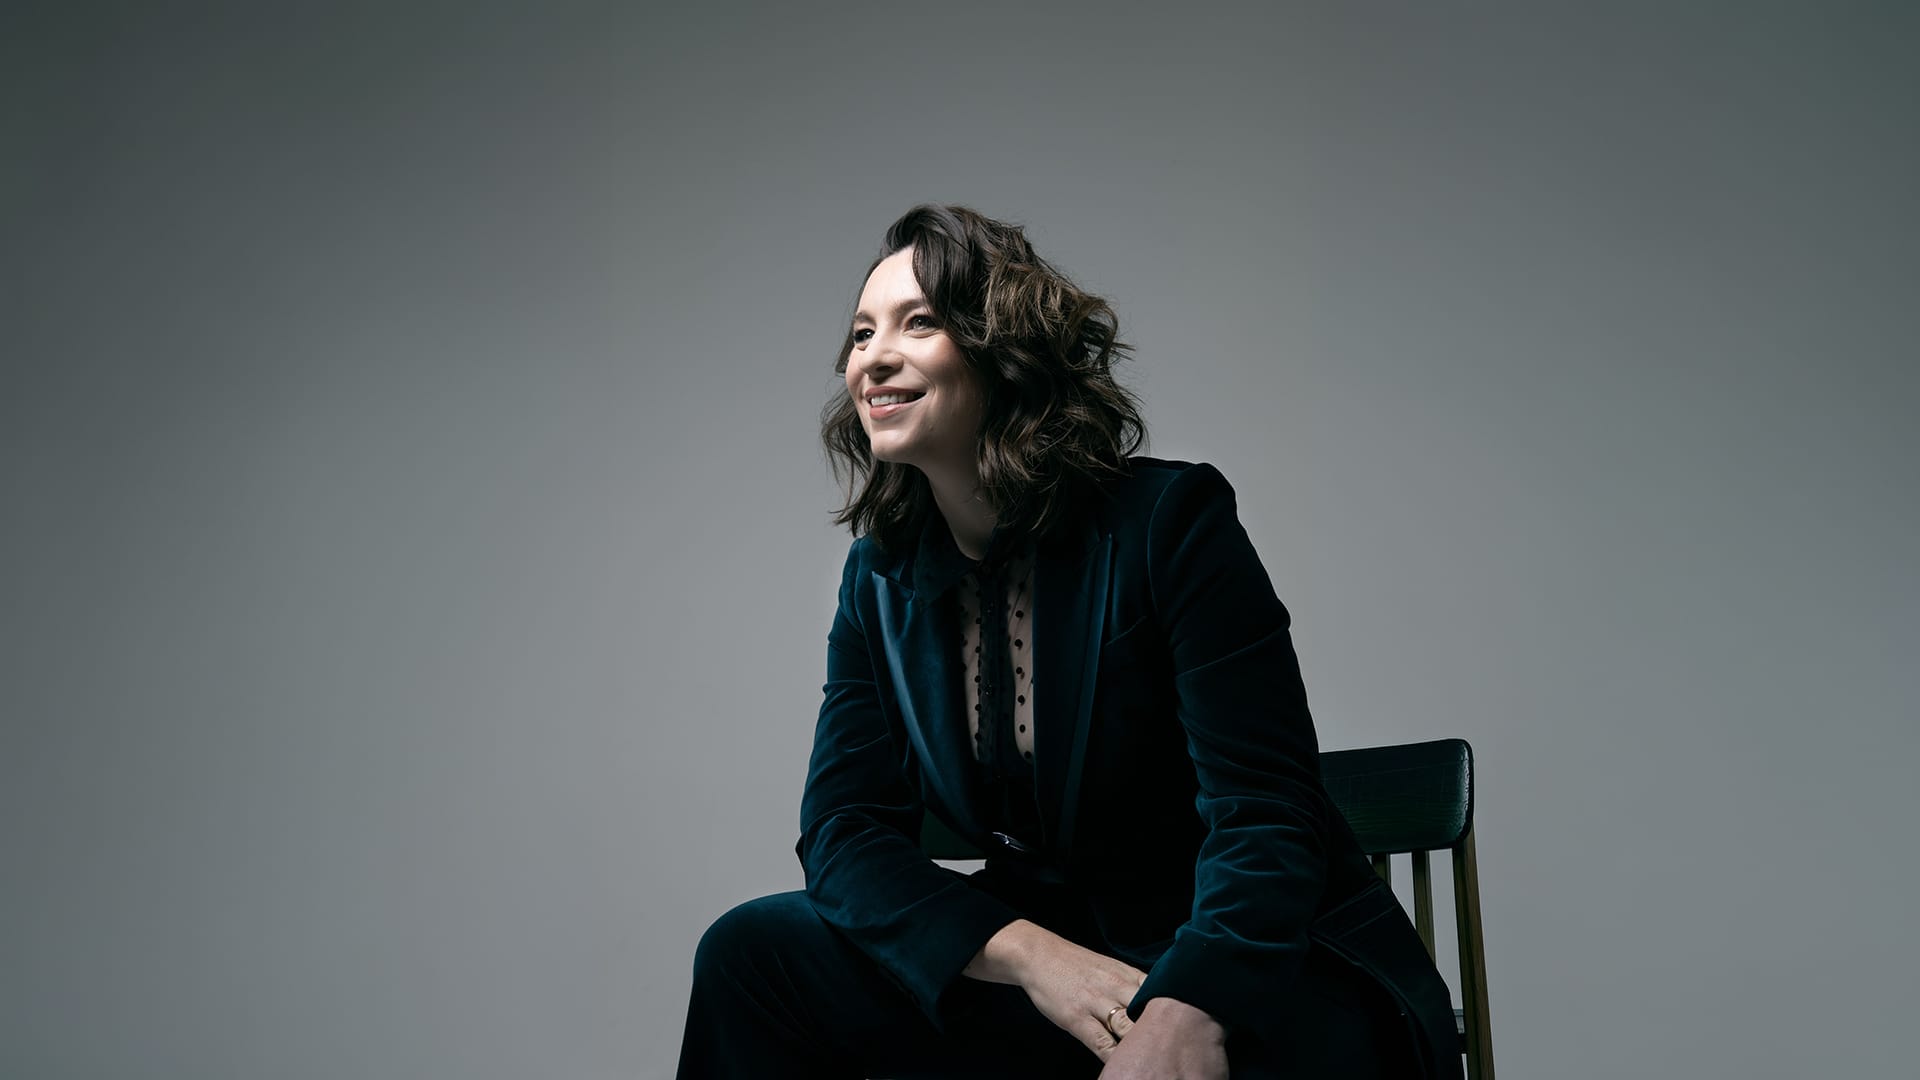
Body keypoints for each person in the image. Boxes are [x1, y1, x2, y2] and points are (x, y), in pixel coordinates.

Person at [676, 205, 1461, 1079]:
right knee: (751, 953)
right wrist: (1027, 955)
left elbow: (1266, 815)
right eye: (862, 334)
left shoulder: (1170, 524)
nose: (873, 357)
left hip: (1254, 963)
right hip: (1063, 967)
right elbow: (844, 833)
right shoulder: (880, 580)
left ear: (1001, 350)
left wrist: (1191, 1007)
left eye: (919, 322)